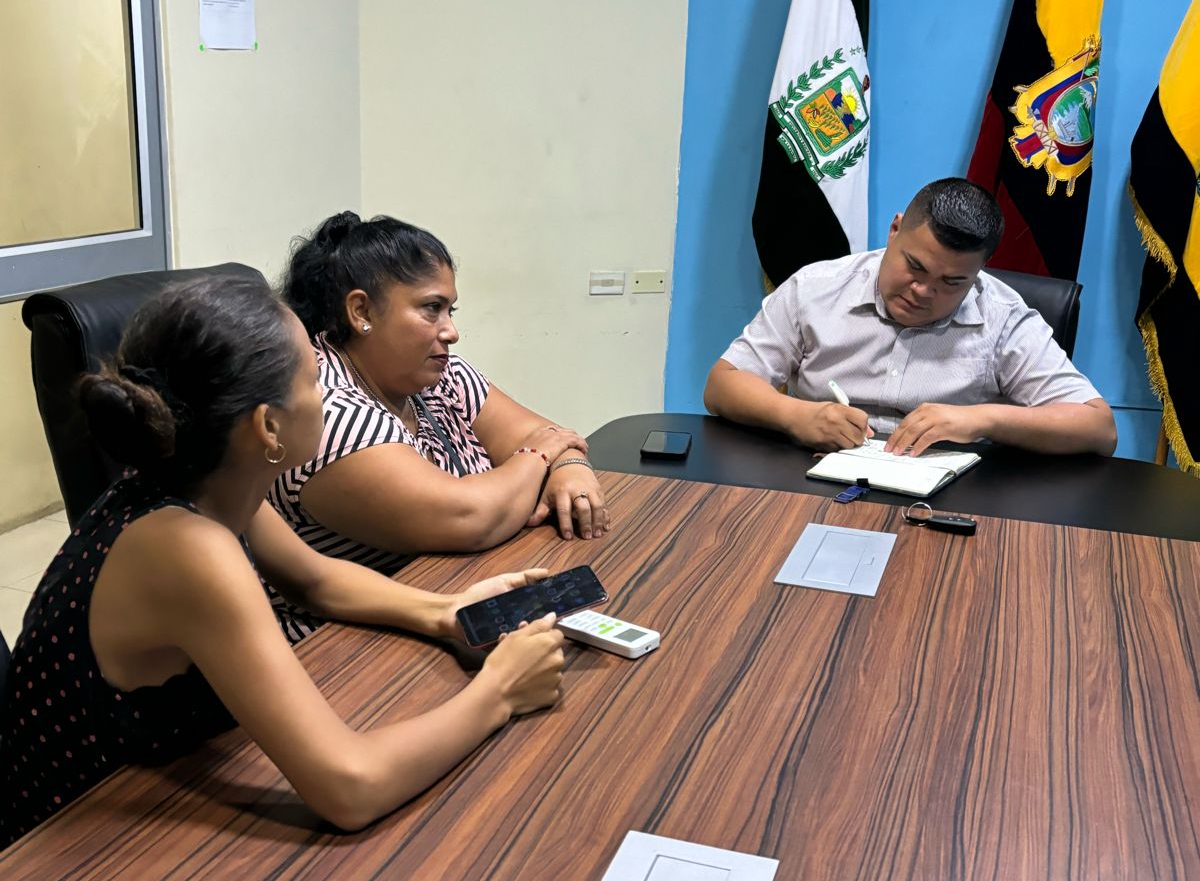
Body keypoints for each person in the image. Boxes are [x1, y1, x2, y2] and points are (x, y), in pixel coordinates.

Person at [0, 276, 565, 850]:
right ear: (268, 427)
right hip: (68, 851)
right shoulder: (187, 546)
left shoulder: (208, 480)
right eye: (316, 380)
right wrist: (499, 691)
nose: (329, 395)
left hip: (158, 785)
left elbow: (314, 580)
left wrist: (446, 612)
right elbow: (350, 787)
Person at [270, 213, 609, 640]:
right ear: (361, 311)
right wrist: (541, 456)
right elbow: (470, 517)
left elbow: (548, 434)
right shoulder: (326, 408)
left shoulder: (435, 373)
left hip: (453, 601)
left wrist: (569, 467)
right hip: (346, 645)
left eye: (450, 310)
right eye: (432, 309)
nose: (451, 332)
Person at [705, 178, 1117, 457]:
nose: (923, 291)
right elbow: (723, 384)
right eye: (915, 266)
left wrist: (982, 420)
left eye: (952, 282)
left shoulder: (1003, 317)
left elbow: (1098, 428)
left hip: (950, 503)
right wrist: (799, 416)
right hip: (816, 477)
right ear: (895, 230)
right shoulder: (815, 288)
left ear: (979, 272)